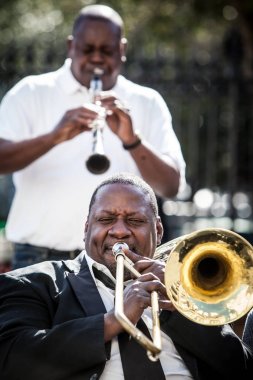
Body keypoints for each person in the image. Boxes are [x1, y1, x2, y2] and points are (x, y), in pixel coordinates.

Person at [0, 173, 251, 380]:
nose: (120, 231)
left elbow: (241, 368)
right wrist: (113, 321)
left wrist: (184, 306)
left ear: (159, 230)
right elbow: (11, 360)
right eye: (106, 219)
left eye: (135, 220)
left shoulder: (186, 289)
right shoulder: (34, 283)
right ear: (87, 228)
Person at [0, 4, 186, 269]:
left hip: (118, 255)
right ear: (70, 46)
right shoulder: (30, 92)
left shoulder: (147, 101)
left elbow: (172, 186)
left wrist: (132, 140)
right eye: (88, 49)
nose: (97, 59)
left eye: (107, 51)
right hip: (37, 255)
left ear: (121, 50)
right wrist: (54, 137)